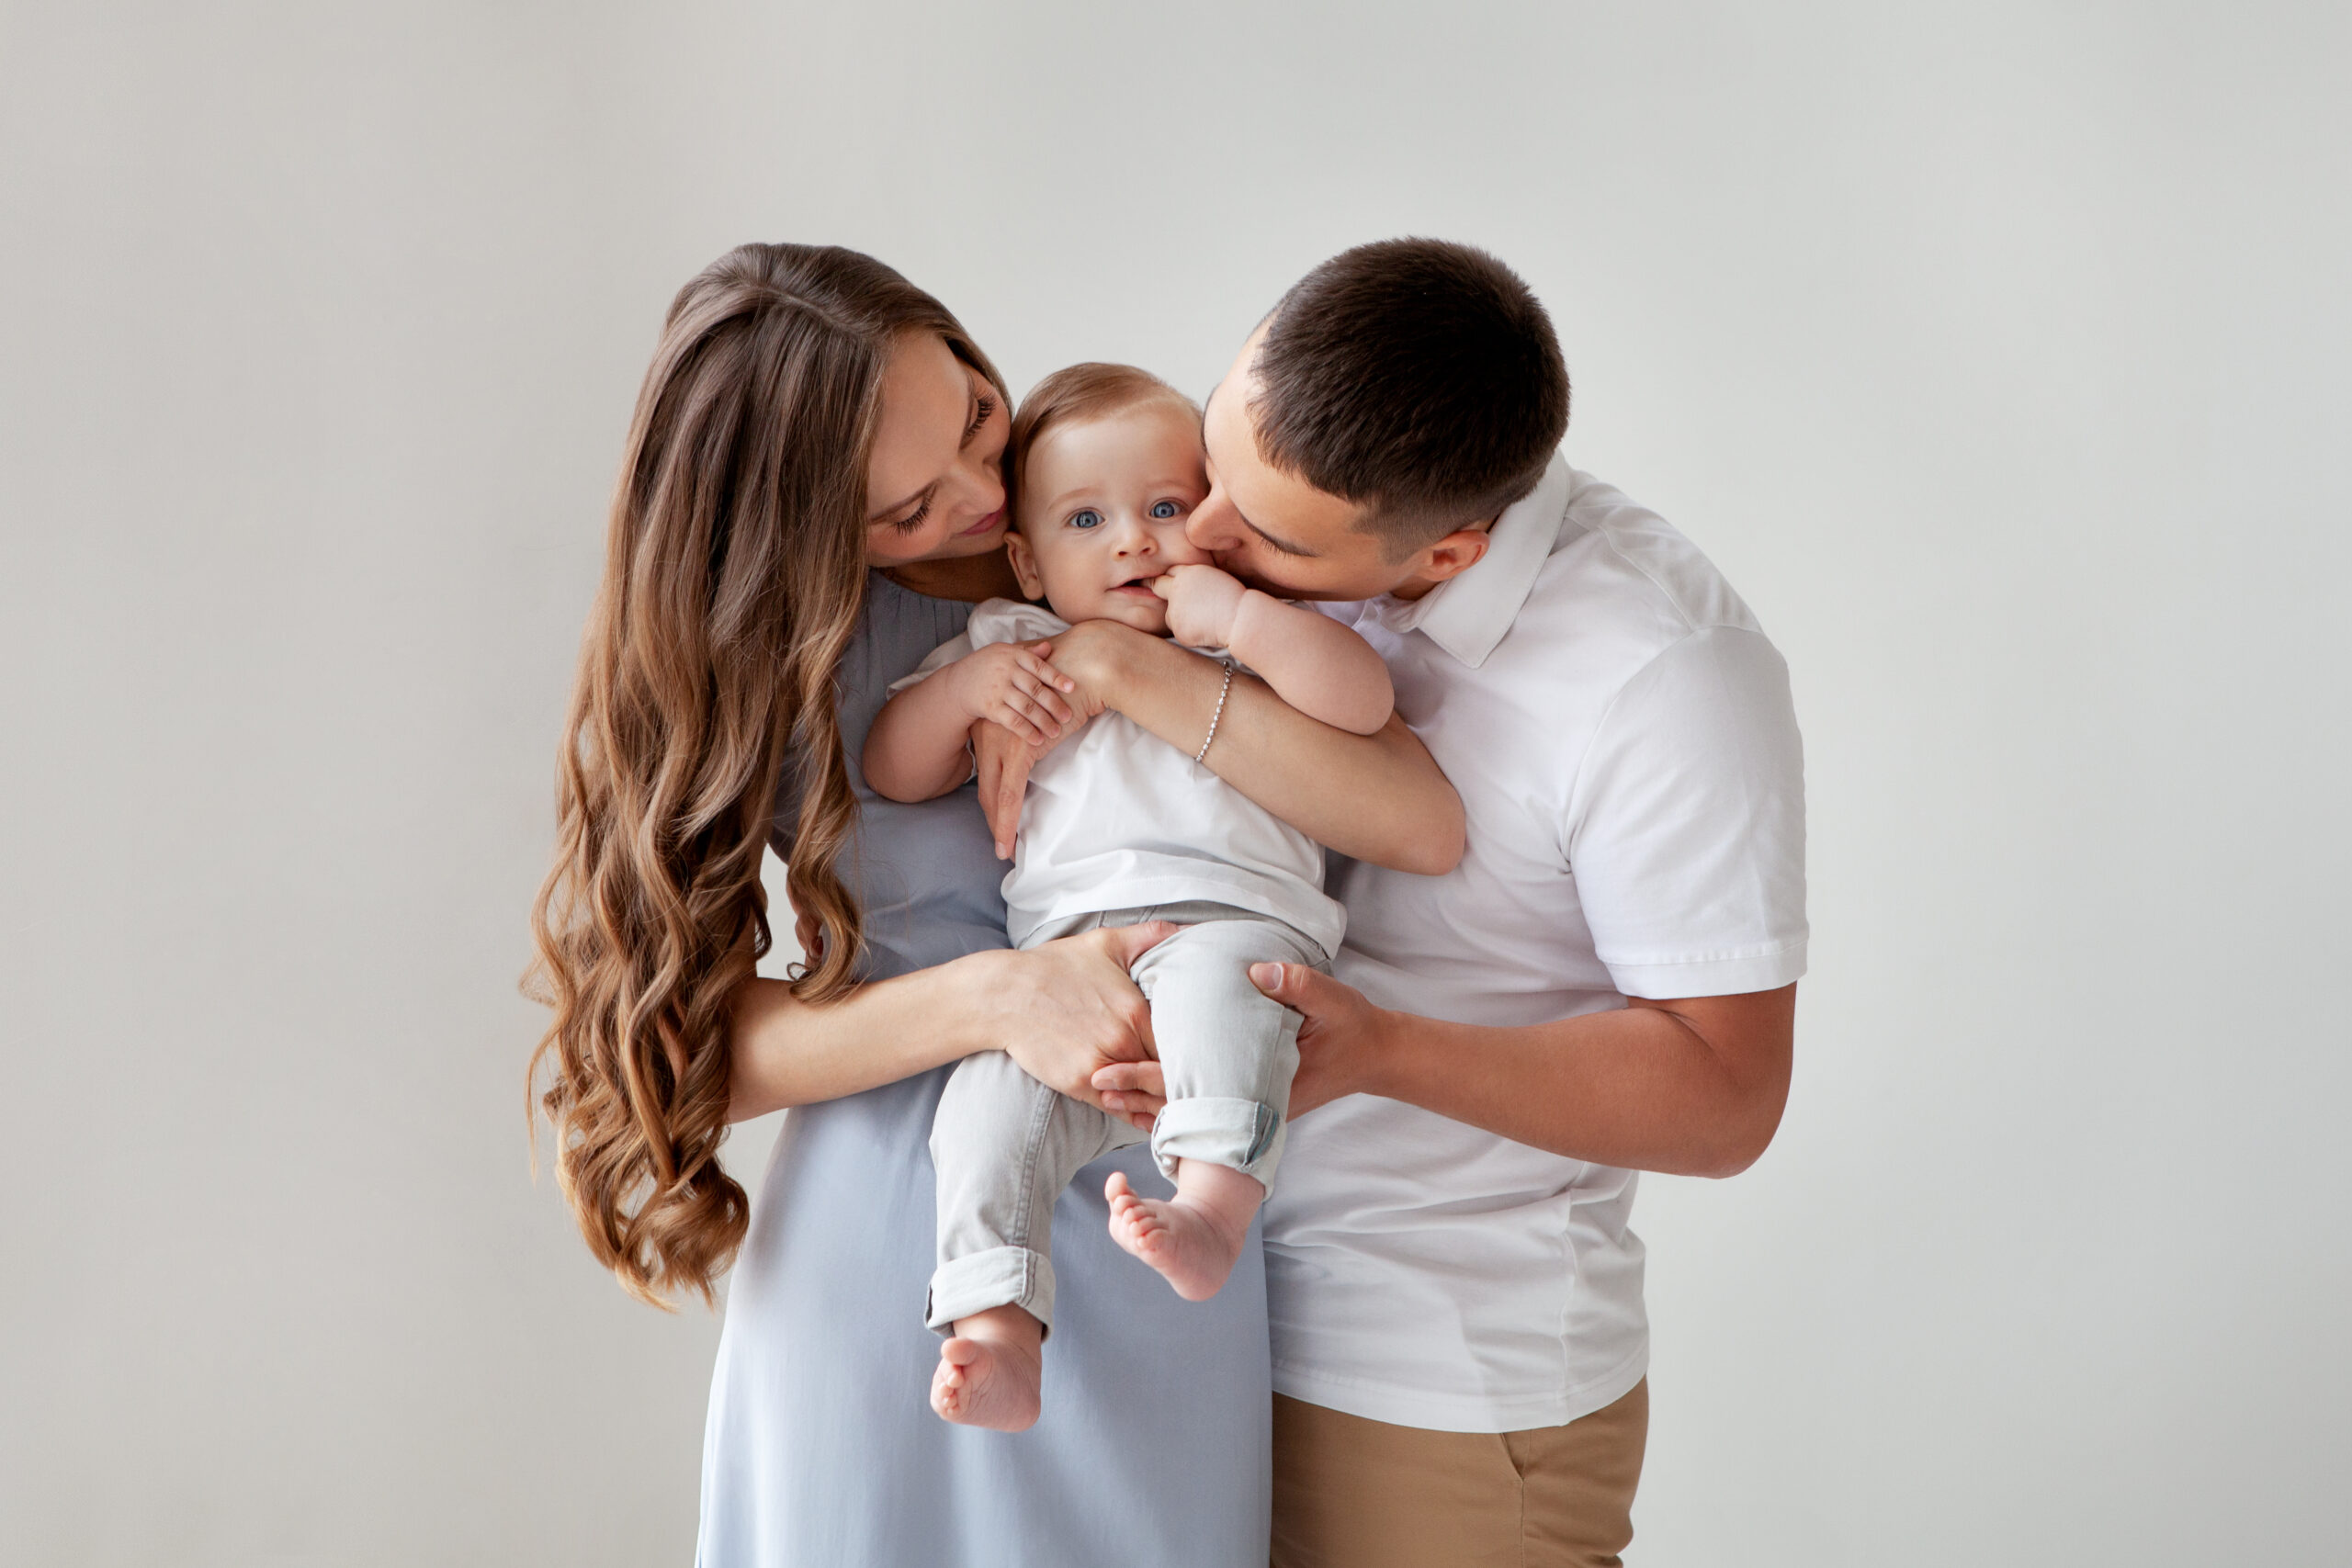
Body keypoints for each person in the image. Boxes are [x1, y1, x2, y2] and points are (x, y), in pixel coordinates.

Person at [526, 243, 1463, 1568]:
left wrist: (1104, 660)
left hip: (1172, 1204)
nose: (974, 496)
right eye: (904, 509)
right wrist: (996, 995)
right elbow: (683, 1050)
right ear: (818, 526)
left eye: (973, 412)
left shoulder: (1156, 526)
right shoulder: (789, 653)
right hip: (904, 1244)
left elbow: (1419, 821)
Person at [1023, 239, 1806, 1567]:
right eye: (1215, 458)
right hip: (1177, 1325)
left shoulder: (1665, 675)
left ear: (1447, 549)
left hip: (1423, 1377)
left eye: (1262, 534)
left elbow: (1728, 1094)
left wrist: (1384, 1049)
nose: (1197, 536)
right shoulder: (1243, 542)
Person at [862, 363, 1396, 1432]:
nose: (1133, 543)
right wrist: (965, 694)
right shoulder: (1010, 648)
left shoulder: (1246, 631)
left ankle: (1208, 1211)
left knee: (1220, 993)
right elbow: (892, 768)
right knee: (981, 1113)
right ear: (1024, 558)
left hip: (1232, 922)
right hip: (1068, 978)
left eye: (1163, 509)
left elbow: (1366, 700)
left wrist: (1240, 615)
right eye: (1086, 519)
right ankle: (996, 1325)